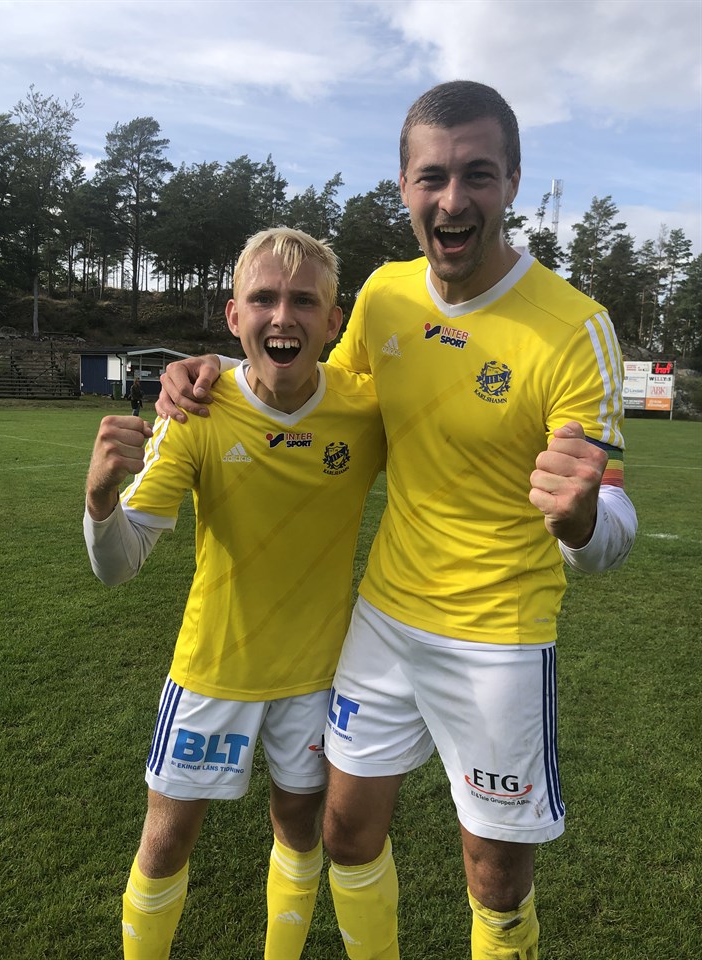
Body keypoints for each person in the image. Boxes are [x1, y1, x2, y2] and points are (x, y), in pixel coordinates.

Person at [155, 81, 638, 960]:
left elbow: (608, 520)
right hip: (382, 619)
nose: (453, 200)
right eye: (432, 177)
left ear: (513, 182)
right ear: (405, 187)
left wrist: (579, 524)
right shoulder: (383, 294)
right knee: (344, 835)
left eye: (478, 174)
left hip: (498, 634)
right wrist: (216, 373)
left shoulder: (577, 328)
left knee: (495, 876)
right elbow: (316, 390)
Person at [84, 228, 385, 960]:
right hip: (213, 669)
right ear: (233, 315)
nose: (283, 316)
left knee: (299, 831)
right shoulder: (196, 413)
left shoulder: (367, 410)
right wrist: (99, 498)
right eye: (264, 299)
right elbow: (118, 565)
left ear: (333, 322)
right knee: (165, 840)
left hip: (318, 675)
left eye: (304, 301)